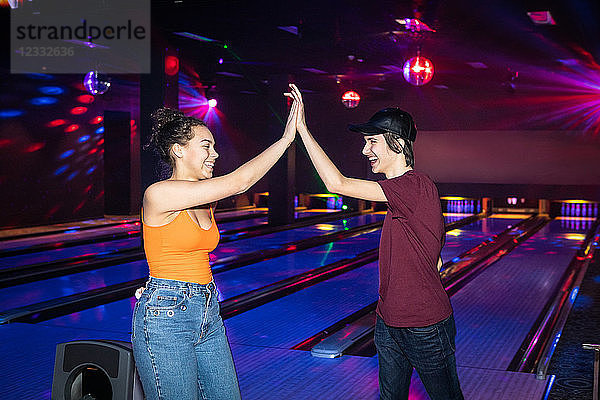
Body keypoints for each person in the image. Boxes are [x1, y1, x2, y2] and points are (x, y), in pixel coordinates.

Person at [286, 84, 463, 400]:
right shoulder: (402, 195)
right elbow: (430, 255)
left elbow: (336, 183)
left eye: (371, 142)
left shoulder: (415, 185)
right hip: (388, 320)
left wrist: (303, 132)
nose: (365, 150)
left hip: (423, 325)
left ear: (396, 143)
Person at [131, 95, 299, 399]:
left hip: (207, 309)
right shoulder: (159, 193)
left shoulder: (207, 197)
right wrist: (286, 138)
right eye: (206, 146)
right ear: (179, 150)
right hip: (167, 314)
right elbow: (240, 182)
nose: (215, 154)